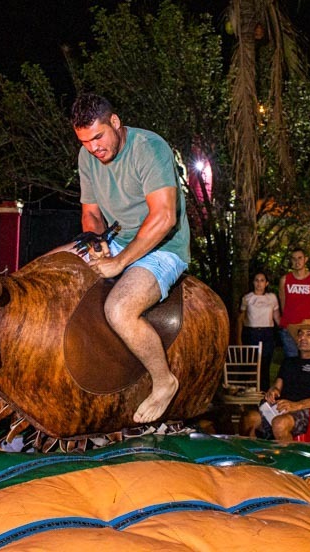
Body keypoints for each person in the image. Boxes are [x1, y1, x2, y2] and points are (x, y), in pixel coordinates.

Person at [68, 93, 191, 424]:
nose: (93, 148)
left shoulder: (149, 148)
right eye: (85, 141)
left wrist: (120, 262)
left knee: (119, 309)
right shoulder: (87, 156)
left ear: (115, 122)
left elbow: (164, 217)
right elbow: (91, 213)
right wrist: (96, 241)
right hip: (118, 239)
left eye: (98, 137)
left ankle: (163, 380)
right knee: (53, 266)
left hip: (164, 246)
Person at [239, 319, 310, 442]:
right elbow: (277, 386)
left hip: (309, 411)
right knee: (249, 418)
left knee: (279, 423)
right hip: (282, 408)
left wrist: (297, 405)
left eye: (309, 335)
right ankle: (253, 453)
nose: (303, 338)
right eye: (300, 334)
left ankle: (289, 454)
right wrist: (273, 392)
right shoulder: (289, 362)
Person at [278, 248, 310, 358]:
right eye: (294, 259)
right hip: (289, 327)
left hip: (307, 328)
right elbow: (283, 303)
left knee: (307, 358)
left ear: (305, 259)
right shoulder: (285, 280)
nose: (297, 261)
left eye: (300, 258)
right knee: (292, 358)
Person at [238, 272, 280, 391]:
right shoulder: (247, 298)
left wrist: (288, 330)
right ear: (253, 282)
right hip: (251, 333)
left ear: (266, 283)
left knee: (264, 365)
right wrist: (238, 339)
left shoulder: (272, 298)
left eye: (262, 280)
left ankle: (263, 393)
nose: (259, 283)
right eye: (256, 280)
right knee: (247, 363)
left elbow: (277, 318)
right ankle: (242, 391)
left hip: (267, 334)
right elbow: (240, 319)